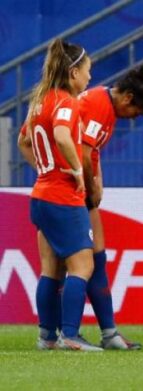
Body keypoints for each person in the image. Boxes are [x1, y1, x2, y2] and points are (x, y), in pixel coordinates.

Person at [16, 39, 99, 351]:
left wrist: (45, 168)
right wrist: (77, 169)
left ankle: (47, 336)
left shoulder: (40, 100)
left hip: (41, 194)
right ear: (74, 71)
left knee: (51, 269)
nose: (90, 77)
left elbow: (24, 140)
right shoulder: (65, 101)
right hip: (62, 197)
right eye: (88, 71)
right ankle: (70, 335)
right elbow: (63, 136)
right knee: (83, 267)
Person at [75, 61, 143, 350]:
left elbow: (92, 153)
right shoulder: (100, 105)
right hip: (72, 190)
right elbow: (84, 155)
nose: (135, 117)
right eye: (139, 111)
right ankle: (61, 334)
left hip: (78, 188)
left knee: (96, 257)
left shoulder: (104, 103)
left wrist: (99, 180)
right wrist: (91, 187)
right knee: (76, 265)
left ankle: (107, 332)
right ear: (127, 98)